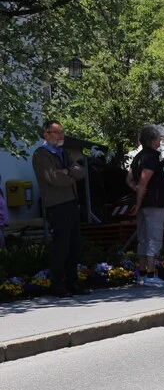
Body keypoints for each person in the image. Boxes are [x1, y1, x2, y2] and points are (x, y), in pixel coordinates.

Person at [31, 121, 91, 297]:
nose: (61, 136)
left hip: (71, 202)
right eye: (57, 133)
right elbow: (54, 179)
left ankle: (73, 283)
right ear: (46, 134)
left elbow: (81, 172)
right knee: (61, 246)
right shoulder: (41, 155)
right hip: (56, 205)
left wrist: (67, 172)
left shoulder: (63, 153)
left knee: (73, 245)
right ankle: (57, 285)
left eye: (62, 132)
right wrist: (68, 173)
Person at [128, 126, 164, 287]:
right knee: (154, 237)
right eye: (158, 138)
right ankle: (151, 274)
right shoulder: (151, 157)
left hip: (145, 203)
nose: (160, 141)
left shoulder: (138, 156)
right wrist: (138, 201)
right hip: (153, 202)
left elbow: (130, 178)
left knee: (143, 237)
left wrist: (135, 189)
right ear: (152, 141)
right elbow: (144, 181)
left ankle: (142, 273)